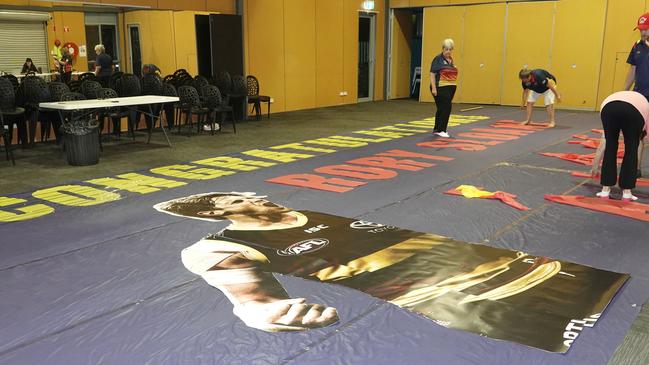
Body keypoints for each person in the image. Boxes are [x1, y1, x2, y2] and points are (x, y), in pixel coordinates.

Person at [152, 192, 627, 352]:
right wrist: (266, 307)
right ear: (215, 215)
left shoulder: (315, 212)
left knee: (597, 293)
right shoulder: (217, 245)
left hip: (532, 269)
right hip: (471, 301)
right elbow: (244, 291)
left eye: (248, 194)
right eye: (233, 202)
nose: (251, 201)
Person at [595, 91, 649, 201]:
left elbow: (604, 141)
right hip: (633, 111)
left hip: (608, 107)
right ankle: (627, 192)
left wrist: (595, 163)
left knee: (610, 145)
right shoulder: (646, 108)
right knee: (631, 149)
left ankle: (605, 190)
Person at [429, 38, 458, 138]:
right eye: (446, 49)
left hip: (449, 88)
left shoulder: (451, 60)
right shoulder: (438, 59)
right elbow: (432, 74)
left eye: (450, 49)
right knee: (447, 107)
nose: (448, 51)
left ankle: (437, 129)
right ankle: (442, 130)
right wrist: (434, 88)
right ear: (443, 49)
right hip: (439, 87)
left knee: (441, 108)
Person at [624, 13, 649, 100]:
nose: (643, 33)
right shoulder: (636, 46)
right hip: (639, 95)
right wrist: (625, 91)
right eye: (641, 30)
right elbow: (633, 70)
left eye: (646, 29)